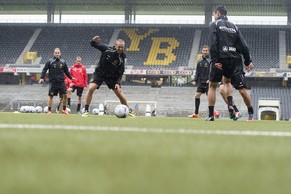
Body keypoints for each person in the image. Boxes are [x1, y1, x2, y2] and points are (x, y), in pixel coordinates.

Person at [206, 5, 254, 121]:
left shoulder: (214, 24)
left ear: (218, 13)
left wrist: (214, 60)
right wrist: (248, 61)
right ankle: (238, 108)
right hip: (233, 58)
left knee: (212, 86)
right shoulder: (234, 26)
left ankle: (211, 115)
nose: (214, 17)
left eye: (214, 15)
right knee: (229, 83)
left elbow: (213, 43)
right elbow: (244, 46)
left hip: (220, 58)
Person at [82, 35, 134, 117]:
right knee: (91, 88)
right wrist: (93, 41)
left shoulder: (122, 56)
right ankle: (86, 110)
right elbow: (93, 45)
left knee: (119, 93)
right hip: (100, 72)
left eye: (122, 47)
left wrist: (117, 82)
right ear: (115, 46)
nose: (120, 49)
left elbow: (121, 71)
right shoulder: (106, 49)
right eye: (119, 47)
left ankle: (128, 110)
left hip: (112, 76)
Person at [39, 48, 74, 115]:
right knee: (51, 96)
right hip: (53, 83)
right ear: (53, 53)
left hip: (61, 82)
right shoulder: (50, 61)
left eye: (58, 53)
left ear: (60, 53)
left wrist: (71, 78)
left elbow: (66, 71)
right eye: (56, 53)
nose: (57, 54)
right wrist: (41, 77)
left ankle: (64, 110)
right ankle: (49, 111)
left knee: (65, 95)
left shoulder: (63, 62)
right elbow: (44, 69)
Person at [188, 45, 211, 118]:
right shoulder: (199, 61)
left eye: (206, 50)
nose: (205, 52)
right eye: (204, 50)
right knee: (197, 96)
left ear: (208, 51)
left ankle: (211, 114)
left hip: (208, 82)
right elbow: (197, 71)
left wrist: (210, 79)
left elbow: (213, 71)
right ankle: (196, 113)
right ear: (202, 51)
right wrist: (195, 80)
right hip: (201, 82)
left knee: (209, 98)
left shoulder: (211, 60)